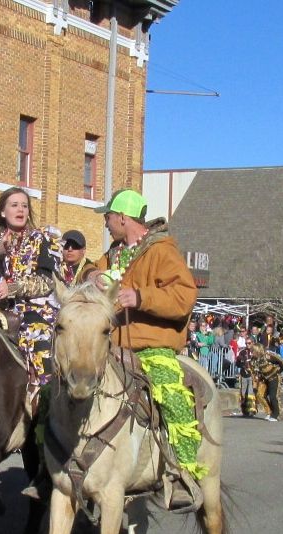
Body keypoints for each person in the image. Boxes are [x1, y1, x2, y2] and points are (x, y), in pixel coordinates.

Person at [83, 188, 203, 505]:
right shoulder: (115, 252)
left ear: (123, 217)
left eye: (109, 216)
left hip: (151, 346)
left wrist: (140, 297)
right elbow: (87, 267)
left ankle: (183, 475)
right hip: (111, 346)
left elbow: (184, 296)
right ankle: (56, 469)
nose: (106, 222)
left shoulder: (162, 250)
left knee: (172, 396)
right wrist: (93, 274)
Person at [0, 186, 61, 390]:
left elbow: (47, 281)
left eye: (25, 206)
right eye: (15, 205)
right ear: (3, 211)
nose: (20, 210)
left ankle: (44, 394)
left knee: (39, 342)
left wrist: (11, 288)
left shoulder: (42, 239)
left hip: (34, 310)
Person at [249, 343, 283, 421]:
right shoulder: (253, 360)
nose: (251, 352)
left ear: (257, 350)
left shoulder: (268, 356)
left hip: (274, 377)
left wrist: (279, 370)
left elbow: (281, 361)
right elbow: (254, 371)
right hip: (263, 378)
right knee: (260, 395)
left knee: (273, 396)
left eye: (253, 351)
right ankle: (270, 412)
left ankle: (276, 415)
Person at [235, 336, 257, 417]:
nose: (247, 345)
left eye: (249, 343)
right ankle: (244, 410)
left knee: (250, 392)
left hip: (252, 375)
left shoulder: (256, 352)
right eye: (246, 343)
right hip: (244, 374)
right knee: (243, 393)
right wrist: (241, 363)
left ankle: (251, 410)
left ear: (253, 343)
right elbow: (237, 364)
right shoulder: (242, 352)